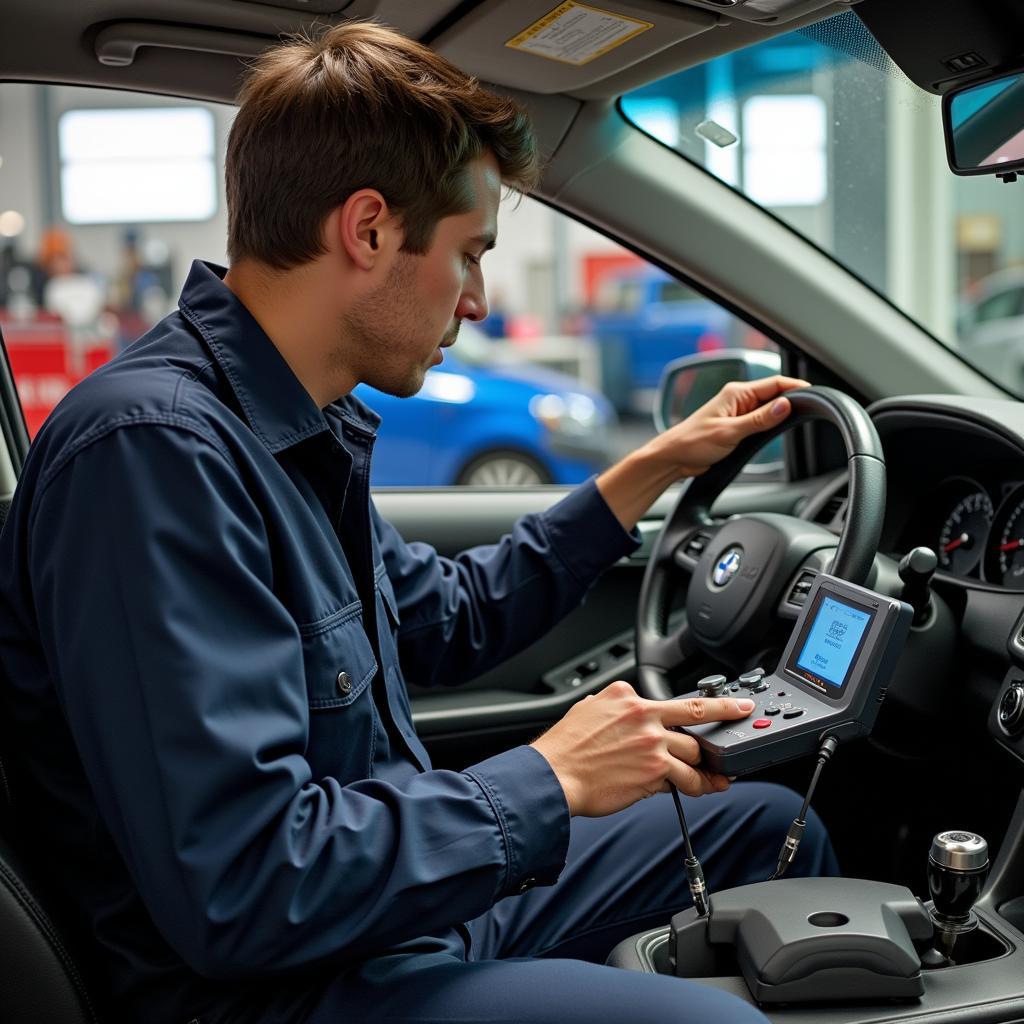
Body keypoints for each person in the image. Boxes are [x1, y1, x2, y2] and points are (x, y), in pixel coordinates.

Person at [0, 22, 836, 1024]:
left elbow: (448, 615)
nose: (478, 300)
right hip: (276, 991)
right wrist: (550, 776)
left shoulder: (288, 434)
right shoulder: (152, 456)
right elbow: (243, 884)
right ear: (368, 231)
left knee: (765, 827)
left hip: (386, 915)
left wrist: (652, 469)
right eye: (469, 254)